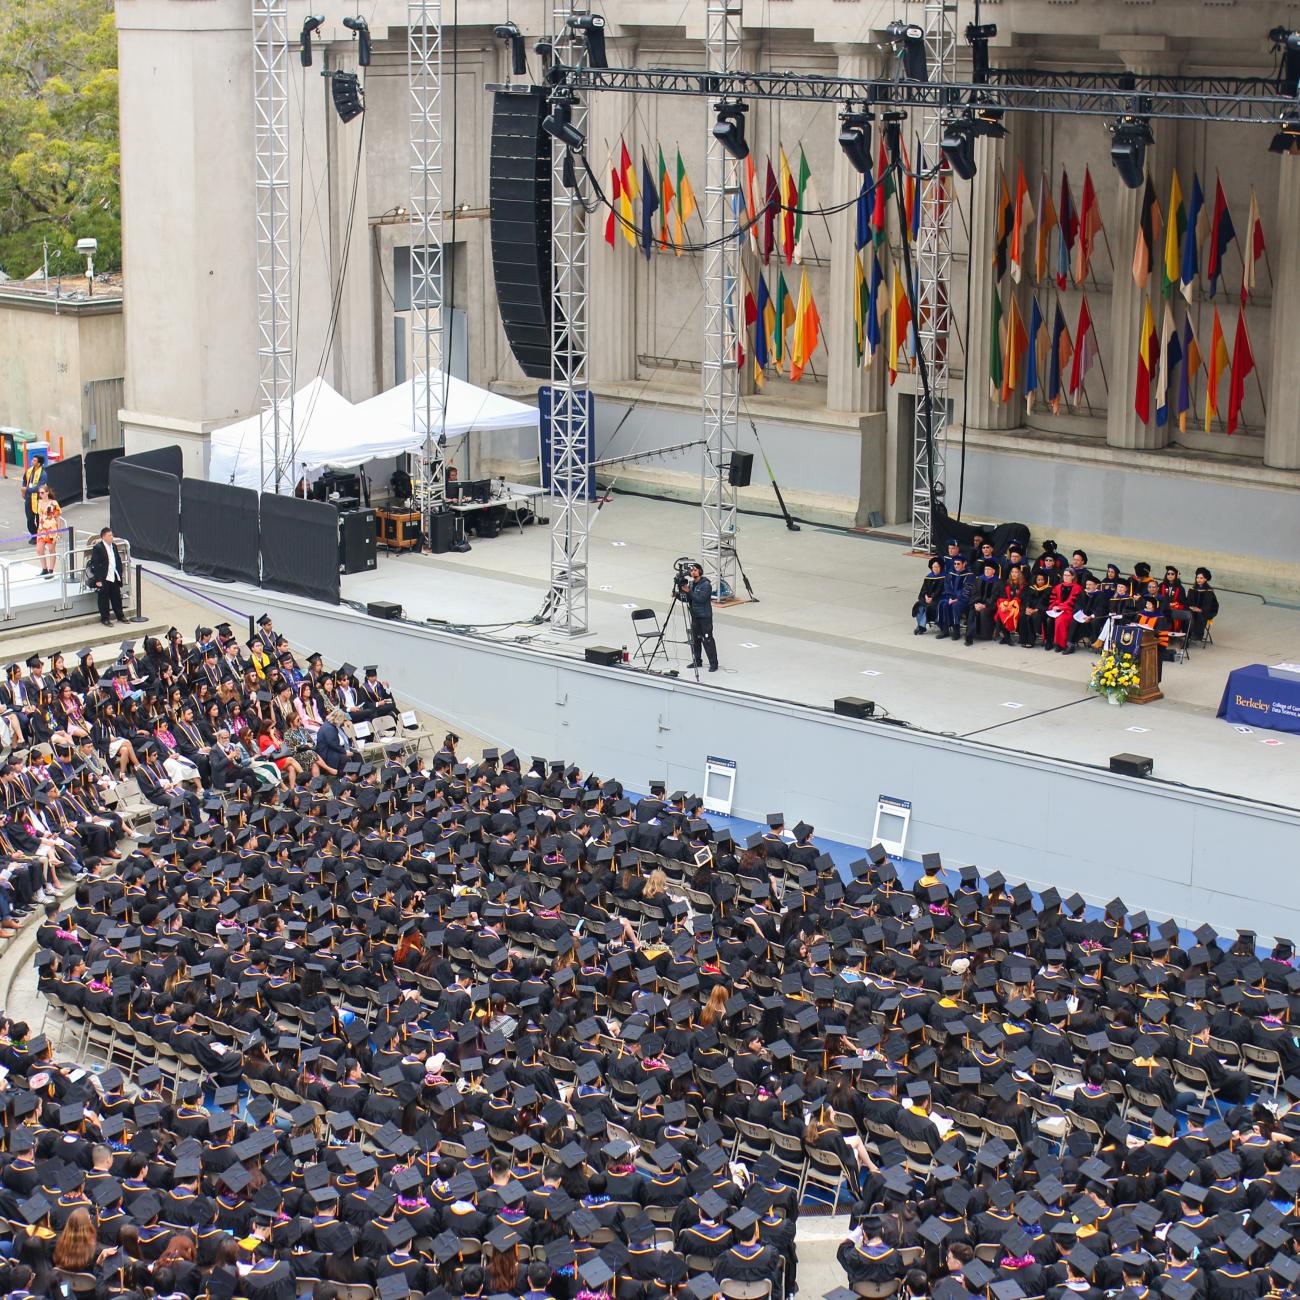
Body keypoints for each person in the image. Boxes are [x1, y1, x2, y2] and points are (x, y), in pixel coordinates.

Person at [679, 562, 719, 672]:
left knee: (707, 639)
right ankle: (697, 660)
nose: (693, 572)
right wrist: (678, 594)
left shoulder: (706, 585)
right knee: (695, 639)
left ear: (700, 571)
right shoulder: (691, 584)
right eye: (692, 570)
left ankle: (713, 664)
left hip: (704, 617)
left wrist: (689, 592)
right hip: (695, 616)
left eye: (695, 570)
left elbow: (701, 599)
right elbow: (688, 599)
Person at [87, 526, 126, 626]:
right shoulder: (98, 548)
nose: (111, 537)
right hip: (104, 577)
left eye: (111, 535)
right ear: (104, 537)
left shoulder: (113, 546)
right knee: (103, 598)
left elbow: (117, 560)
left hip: (113, 575)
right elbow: (96, 564)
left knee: (116, 596)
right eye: (109, 535)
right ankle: (105, 618)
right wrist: (98, 580)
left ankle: (120, 615)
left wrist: (120, 573)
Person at [34, 486, 63, 579]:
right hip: (42, 529)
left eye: (42, 493)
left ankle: (51, 570)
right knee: (39, 549)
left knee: (51, 550)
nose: (40, 495)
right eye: (39, 493)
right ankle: (44, 569)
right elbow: (39, 516)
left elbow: (58, 517)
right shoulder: (39, 502)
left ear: (47, 493)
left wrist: (58, 530)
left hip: (51, 529)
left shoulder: (53, 503)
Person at [913, 557, 945, 635]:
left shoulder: (944, 577)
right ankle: (920, 626)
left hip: (938, 599)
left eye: (937, 567)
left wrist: (932, 598)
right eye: (934, 567)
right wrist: (926, 596)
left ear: (940, 567)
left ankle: (921, 627)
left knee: (928, 607)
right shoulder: (928, 577)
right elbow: (924, 589)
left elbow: (941, 591)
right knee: (919, 605)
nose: (936, 569)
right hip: (928, 598)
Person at [1187, 567, 1219, 642]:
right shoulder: (1192, 589)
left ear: (1205, 579)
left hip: (1204, 612)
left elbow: (1210, 604)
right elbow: (1188, 601)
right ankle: (1187, 633)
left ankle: (1197, 635)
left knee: (1199, 615)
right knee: (1188, 613)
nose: (1199, 580)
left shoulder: (1209, 591)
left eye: (1201, 578)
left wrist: (1201, 610)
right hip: (1193, 609)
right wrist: (1191, 607)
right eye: (1197, 577)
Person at [21, 456, 47, 543]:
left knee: (39, 519)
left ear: (38, 464)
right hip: (29, 499)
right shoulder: (29, 470)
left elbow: (38, 488)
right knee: (29, 519)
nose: (32, 461)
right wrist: (24, 489)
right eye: (32, 459)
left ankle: (40, 536)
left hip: (39, 499)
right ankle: (34, 535)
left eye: (34, 460)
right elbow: (24, 480)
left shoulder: (43, 474)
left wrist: (26, 489)